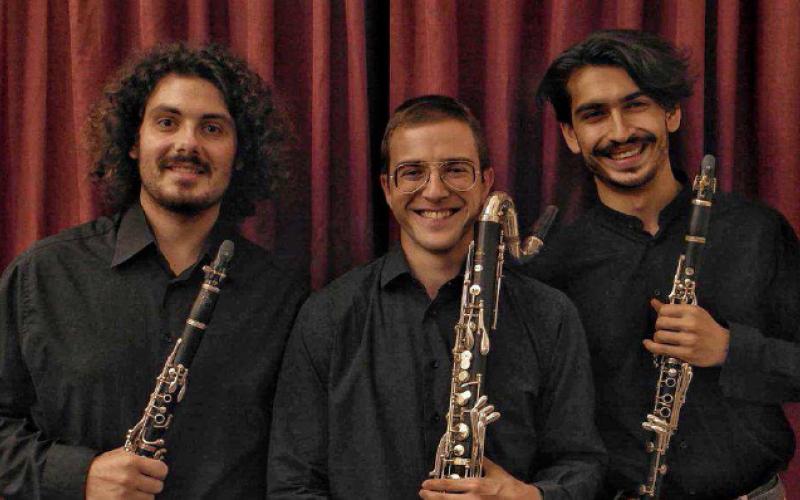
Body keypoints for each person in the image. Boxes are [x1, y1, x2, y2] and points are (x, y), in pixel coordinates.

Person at [0, 43, 307, 499]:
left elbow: (302, 463)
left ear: (240, 153)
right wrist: (78, 475)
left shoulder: (282, 296)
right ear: (133, 141)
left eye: (212, 128)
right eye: (167, 122)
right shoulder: (44, 275)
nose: (187, 144)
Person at [267, 95, 606, 499]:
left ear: (486, 181)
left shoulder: (550, 315)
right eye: (412, 172)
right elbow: (293, 485)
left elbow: (582, 464)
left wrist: (526, 497)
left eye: (456, 170)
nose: (434, 191)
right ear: (387, 188)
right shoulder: (328, 316)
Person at [531, 29, 799, 498]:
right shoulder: (553, 264)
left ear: (671, 113)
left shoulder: (754, 230)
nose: (620, 132)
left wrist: (731, 349)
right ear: (571, 135)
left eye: (635, 105)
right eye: (594, 115)